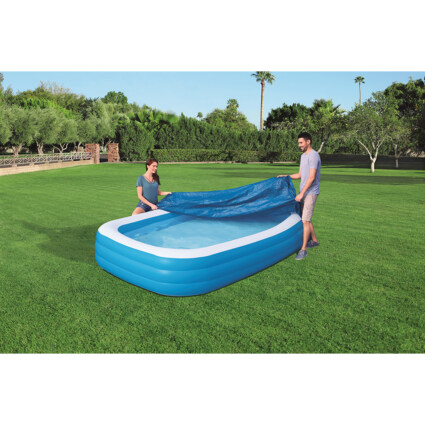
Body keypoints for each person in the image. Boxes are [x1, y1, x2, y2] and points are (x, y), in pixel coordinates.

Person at [278, 132, 321, 260]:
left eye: (301, 143)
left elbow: (312, 177)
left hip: (310, 192)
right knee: (306, 218)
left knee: (305, 220)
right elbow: (300, 175)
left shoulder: (314, 156)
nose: (299, 145)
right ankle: (314, 241)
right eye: (298, 143)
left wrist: (302, 194)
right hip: (304, 191)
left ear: (308, 142)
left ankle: (303, 250)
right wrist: (286, 176)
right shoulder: (303, 156)